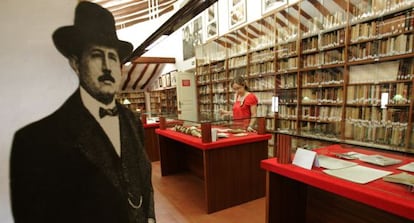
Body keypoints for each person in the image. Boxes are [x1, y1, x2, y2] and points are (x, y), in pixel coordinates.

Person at [9, 2, 155, 223]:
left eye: (113, 57)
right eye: (97, 55)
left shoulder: (132, 120)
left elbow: (144, 182)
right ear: (76, 63)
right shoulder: (34, 140)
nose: (107, 67)